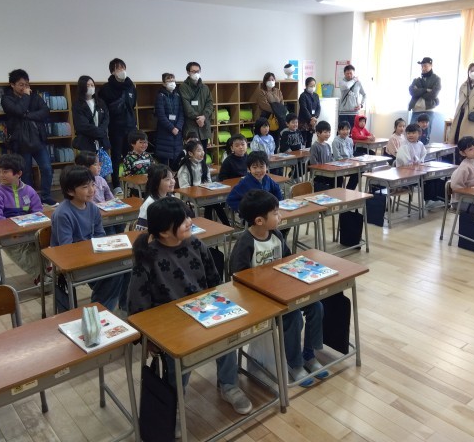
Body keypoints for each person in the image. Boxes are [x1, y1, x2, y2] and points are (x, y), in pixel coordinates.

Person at [128, 197, 253, 416]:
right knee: (179, 360)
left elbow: (213, 280)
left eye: (188, 216)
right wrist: (145, 339)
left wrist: (222, 307)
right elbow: (137, 301)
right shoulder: (148, 257)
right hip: (169, 322)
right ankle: (174, 404)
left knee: (227, 337)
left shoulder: (196, 244)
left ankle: (228, 384)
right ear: (164, 231)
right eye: (182, 220)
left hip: (202, 309)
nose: (189, 222)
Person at [229, 189, 327, 386]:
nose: (280, 216)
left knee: (316, 307)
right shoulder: (245, 243)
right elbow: (238, 280)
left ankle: (309, 354)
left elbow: (287, 260)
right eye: (275, 213)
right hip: (260, 299)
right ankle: (294, 363)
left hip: (283, 292)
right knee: (293, 317)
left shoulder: (276, 235)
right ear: (259, 221)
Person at [51, 165, 124, 310]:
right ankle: (98, 311)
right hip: (72, 260)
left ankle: (123, 307)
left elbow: (100, 234)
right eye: (85, 187)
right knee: (115, 273)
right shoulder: (62, 214)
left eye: (92, 184)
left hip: (92, 255)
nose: (92, 190)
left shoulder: (92, 208)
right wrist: (91, 250)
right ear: (70, 191)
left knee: (125, 266)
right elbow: (66, 248)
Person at [1, 69, 56, 207]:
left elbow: (45, 111)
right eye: (21, 85)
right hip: (20, 142)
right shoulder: (6, 99)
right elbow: (18, 110)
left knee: (47, 168)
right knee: (25, 173)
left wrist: (27, 115)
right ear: (12, 85)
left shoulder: (34, 96)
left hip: (38, 139)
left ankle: (46, 196)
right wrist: (25, 97)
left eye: (26, 84)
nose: (25, 88)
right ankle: (29, 200)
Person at [0, 154, 43, 283]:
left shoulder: (29, 191)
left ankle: (47, 271)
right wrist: (13, 230)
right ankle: (40, 275)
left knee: (44, 245)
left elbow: (38, 212)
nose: (1, 175)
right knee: (22, 252)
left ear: (19, 173)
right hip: (9, 234)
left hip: (29, 230)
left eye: (5, 172)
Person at [99, 58, 137, 196]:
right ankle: (116, 184)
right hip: (115, 127)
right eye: (118, 68)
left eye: (123, 68)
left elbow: (133, 104)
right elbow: (104, 109)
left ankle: (131, 181)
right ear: (113, 71)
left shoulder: (130, 86)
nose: (122, 71)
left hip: (130, 126)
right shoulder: (106, 88)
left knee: (130, 156)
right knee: (116, 156)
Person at [177, 140, 229, 225]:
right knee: (210, 204)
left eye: (202, 150)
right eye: (199, 150)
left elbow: (209, 182)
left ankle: (227, 226)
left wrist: (208, 188)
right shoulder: (185, 168)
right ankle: (209, 226)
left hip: (204, 193)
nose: (202, 153)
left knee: (215, 203)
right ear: (190, 153)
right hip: (190, 196)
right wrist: (199, 190)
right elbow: (184, 188)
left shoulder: (203, 165)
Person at [450, 62, 474, 144]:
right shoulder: (464, 85)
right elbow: (460, 98)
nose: (473, 72)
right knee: (458, 136)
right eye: (471, 70)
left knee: (470, 140)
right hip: (461, 113)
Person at [71, 75, 110, 154]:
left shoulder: (100, 102)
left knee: (104, 161)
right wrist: (98, 132)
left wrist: (101, 130)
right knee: (89, 161)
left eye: (92, 85)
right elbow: (82, 125)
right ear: (82, 87)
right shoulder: (78, 105)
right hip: (87, 143)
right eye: (88, 85)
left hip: (102, 141)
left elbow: (106, 118)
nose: (91, 87)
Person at [180, 61, 213, 152]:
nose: (196, 73)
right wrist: (198, 118)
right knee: (192, 153)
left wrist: (204, 117)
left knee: (203, 153)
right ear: (188, 72)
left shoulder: (205, 88)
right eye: (193, 71)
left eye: (198, 71)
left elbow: (210, 103)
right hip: (191, 127)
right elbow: (186, 106)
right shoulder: (183, 87)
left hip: (204, 126)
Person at [154, 72, 184, 167]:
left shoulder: (178, 96)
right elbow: (161, 115)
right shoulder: (160, 96)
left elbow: (182, 114)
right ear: (163, 83)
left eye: (173, 80)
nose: (171, 82)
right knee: (165, 165)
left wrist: (178, 127)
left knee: (176, 163)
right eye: (168, 80)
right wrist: (172, 128)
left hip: (177, 133)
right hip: (165, 133)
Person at [408, 57, 441, 141]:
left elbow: (433, 94)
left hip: (428, 110)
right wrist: (426, 90)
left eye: (425, 66)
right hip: (416, 110)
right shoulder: (417, 79)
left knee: (425, 136)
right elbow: (412, 92)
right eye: (422, 66)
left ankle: (423, 149)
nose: (423, 68)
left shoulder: (436, 79)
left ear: (431, 65)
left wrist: (419, 91)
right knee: (411, 133)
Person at [136, 163, 176, 230]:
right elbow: (141, 230)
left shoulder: (172, 198)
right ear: (156, 183)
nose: (173, 181)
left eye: (172, 178)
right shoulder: (149, 204)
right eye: (167, 179)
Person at [256, 72, 284, 150]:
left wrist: (278, 110)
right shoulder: (261, 92)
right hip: (266, 118)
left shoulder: (278, 91)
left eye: (272, 79)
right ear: (265, 81)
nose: (271, 81)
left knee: (276, 142)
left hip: (277, 118)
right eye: (269, 80)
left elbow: (282, 103)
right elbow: (264, 105)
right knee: (266, 141)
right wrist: (276, 109)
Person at [332, 120, 357, 189]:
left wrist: (353, 161)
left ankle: (349, 189)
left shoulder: (350, 140)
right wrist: (347, 163)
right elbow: (337, 157)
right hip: (339, 165)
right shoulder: (335, 141)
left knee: (359, 171)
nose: (345, 132)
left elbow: (351, 154)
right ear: (338, 131)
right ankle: (340, 190)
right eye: (343, 130)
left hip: (349, 164)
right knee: (339, 177)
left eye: (347, 129)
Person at [310, 121, 335, 192]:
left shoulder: (327, 145)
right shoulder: (315, 146)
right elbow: (313, 163)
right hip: (319, 173)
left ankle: (336, 194)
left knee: (339, 178)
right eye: (325, 132)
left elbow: (331, 159)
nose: (328, 134)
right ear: (318, 133)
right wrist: (324, 168)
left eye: (329, 132)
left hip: (328, 171)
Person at [280, 113, 305, 179]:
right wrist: (293, 154)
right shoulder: (285, 133)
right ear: (287, 124)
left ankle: (293, 176)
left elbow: (302, 142)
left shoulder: (298, 131)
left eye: (296, 122)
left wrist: (302, 150)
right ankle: (294, 177)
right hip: (289, 155)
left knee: (305, 163)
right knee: (297, 164)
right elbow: (284, 147)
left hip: (299, 154)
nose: (295, 124)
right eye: (293, 122)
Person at [298, 77, 320, 148]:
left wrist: (315, 117)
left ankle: (309, 154)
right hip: (304, 121)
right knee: (303, 140)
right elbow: (304, 108)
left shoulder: (316, 95)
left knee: (309, 140)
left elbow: (318, 107)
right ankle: (302, 154)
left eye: (314, 85)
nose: (313, 87)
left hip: (313, 121)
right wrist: (310, 119)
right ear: (306, 85)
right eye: (311, 86)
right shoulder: (303, 95)